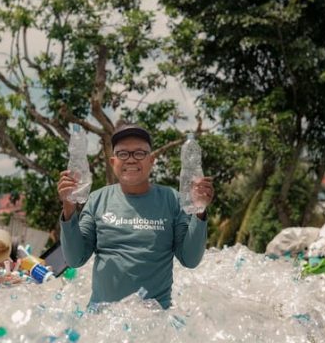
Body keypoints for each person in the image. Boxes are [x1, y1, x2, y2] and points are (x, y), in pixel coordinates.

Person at [58, 123, 214, 309]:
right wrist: (68, 208)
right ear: (113, 162)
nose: (131, 160)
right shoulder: (96, 199)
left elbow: (190, 259)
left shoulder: (172, 199)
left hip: (153, 319)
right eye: (123, 153)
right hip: (102, 319)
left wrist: (199, 210)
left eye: (139, 153)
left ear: (151, 160)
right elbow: (75, 259)